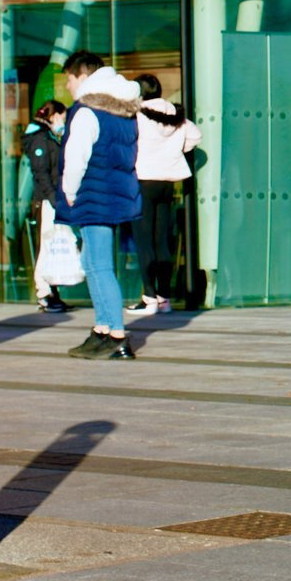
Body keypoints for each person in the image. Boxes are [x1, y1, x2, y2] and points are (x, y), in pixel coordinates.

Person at [55, 51, 142, 360]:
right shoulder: (124, 111)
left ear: (82, 74)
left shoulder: (87, 110)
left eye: (69, 77)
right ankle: (103, 328)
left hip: (93, 193)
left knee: (99, 265)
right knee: (93, 261)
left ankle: (116, 334)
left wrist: (68, 190)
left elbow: (76, 155)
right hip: (116, 192)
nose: (67, 85)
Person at [126, 74, 199, 316]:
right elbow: (195, 135)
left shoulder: (137, 114)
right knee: (162, 240)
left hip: (144, 179)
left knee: (144, 240)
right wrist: (174, 151)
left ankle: (148, 297)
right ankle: (164, 298)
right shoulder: (174, 113)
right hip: (168, 181)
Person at [22, 100, 71, 313]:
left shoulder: (48, 137)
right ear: (53, 116)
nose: (64, 122)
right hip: (46, 200)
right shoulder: (40, 139)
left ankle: (51, 289)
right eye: (62, 117)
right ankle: (43, 290)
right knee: (46, 245)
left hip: (51, 199)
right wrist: (53, 197)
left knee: (52, 244)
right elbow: (41, 173)